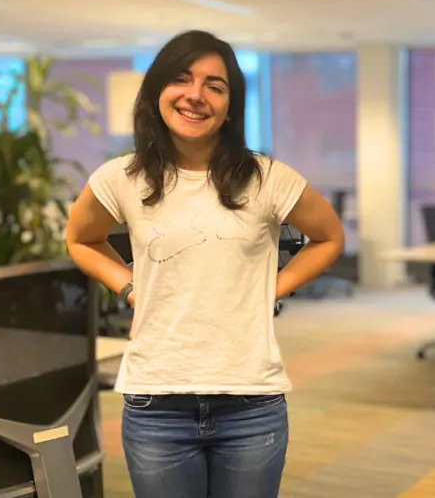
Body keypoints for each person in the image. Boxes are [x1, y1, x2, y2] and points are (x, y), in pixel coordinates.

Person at [65, 30, 344, 497]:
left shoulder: (268, 179)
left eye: (214, 86)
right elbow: (81, 239)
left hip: (250, 402)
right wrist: (129, 287)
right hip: (157, 401)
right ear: (157, 92)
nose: (196, 96)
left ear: (231, 106)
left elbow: (329, 236)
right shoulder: (121, 177)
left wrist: (270, 288)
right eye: (181, 80)